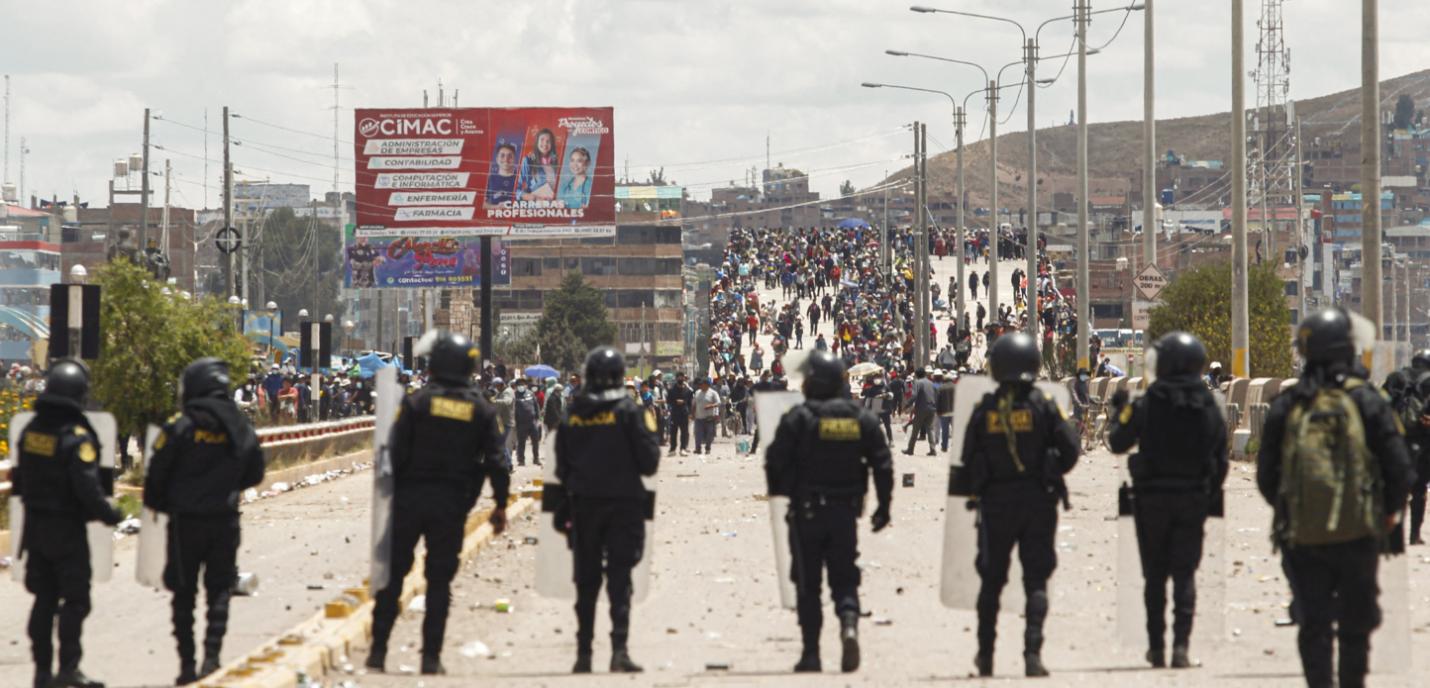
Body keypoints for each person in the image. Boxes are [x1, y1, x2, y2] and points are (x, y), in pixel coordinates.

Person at [1256, 308, 1413, 688]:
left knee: (1314, 624)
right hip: (1359, 533)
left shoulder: (1289, 404)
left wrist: (1291, 509)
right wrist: (1388, 514)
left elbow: (1266, 475)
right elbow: (1399, 468)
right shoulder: (1368, 402)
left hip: (1303, 534)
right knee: (1355, 628)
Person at [366, 332, 509, 676]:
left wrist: (392, 491)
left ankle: (378, 652)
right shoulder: (481, 409)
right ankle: (431, 658)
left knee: (393, 574)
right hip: (451, 505)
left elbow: (394, 451)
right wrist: (500, 505)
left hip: (408, 501)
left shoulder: (417, 403)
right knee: (439, 581)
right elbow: (497, 461)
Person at [960, 332, 1080, 677]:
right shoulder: (1044, 406)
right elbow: (1071, 450)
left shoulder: (985, 410)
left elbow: (967, 461)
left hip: (996, 504)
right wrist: (1048, 472)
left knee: (992, 581)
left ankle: (985, 656)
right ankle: (1032, 654)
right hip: (1038, 502)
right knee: (1036, 581)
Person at [765, 350, 893, 673]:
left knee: (809, 584)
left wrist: (784, 494)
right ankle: (849, 622)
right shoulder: (860, 418)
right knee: (845, 577)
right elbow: (882, 462)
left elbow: (774, 462)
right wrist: (883, 507)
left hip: (806, 512)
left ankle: (811, 654)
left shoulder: (799, 418)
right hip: (845, 512)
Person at [1106, 332, 1228, 669]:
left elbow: (1117, 443)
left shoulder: (1146, 403)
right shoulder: (1207, 406)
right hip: (1192, 498)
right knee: (1185, 575)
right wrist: (1205, 493)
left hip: (1151, 498)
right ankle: (1181, 649)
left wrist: (1119, 414)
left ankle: (1157, 647)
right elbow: (1221, 459)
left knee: (1155, 576)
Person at [144, 358, 266, 684]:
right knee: (219, 591)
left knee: (183, 595)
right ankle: (212, 659)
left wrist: (160, 504)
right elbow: (256, 470)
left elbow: (155, 474)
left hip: (184, 524)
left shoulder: (180, 425)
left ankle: (187, 665)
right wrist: (225, 488)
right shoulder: (238, 425)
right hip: (224, 521)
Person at [12, 360, 121, 688]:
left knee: (44, 598)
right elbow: (86, 485)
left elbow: (22, 478)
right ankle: (68, 668)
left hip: (35, 528)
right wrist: (110, 513)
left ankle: (42, 673)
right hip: (67, 531)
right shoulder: (76, 436)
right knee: (76, 599)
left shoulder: (32, 432)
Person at [553, 347, 661, 673]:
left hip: (583, 506)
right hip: (624, 506)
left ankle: (583, 655)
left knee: (586, 584)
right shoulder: (630, 412)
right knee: (619, 579)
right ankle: (619, 651)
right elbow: (649, 462)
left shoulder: (573, 414)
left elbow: (561, 468)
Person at [902, 368, 937, 456]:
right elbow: (936, 395)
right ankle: (933, 449)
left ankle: (910, 449)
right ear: (925, 374)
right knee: (930, 429)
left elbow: (914, 395)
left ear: (917, 375)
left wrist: (907, 404)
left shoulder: (917, 382)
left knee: (915, 430)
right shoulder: (931, 383)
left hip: (921, 408)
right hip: (932, 408)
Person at [519, 128, 560, 202]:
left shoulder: (555, 162)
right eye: (542, 140)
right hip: (535, 205)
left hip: (552, 206)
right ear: (537, 142)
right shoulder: (528, 160)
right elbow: (516, 189)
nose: (545, 143)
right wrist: (529, 196)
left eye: (548, 141)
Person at [513, 378, 542, 466]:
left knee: (535, 441)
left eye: (523, 384)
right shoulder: (515, 395)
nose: (521, 386)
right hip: (521, 423)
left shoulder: (530, 393)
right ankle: (521, 460)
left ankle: (536, 459)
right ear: (517, 386)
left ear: (525, 385)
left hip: (532, 421)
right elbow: (513, 409)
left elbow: (536, 406)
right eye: (519, 384)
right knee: (521, 443)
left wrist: (538, 419)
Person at [692, 377, 721, 455]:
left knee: (709, 434)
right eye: (700, 384)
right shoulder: (697, 392)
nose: (701, 386)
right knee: (698, 434)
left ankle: (708, 447)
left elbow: (718, 403)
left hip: (709, 418)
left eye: (702, 384)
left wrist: (711, 406)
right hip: (698, 417)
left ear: (707, 385)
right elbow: (694, 404)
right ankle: (698, 448)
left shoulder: (713, 393)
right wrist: (692, 414)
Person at [667, 372, 692, 455]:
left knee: (684, 432)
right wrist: (675, 401)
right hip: (674, 413)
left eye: (682, 377)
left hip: (684, 414)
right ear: (676, 378)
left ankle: (683, 448)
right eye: (679, 377)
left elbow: (690, 403)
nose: (680, 379)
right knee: (673, 432)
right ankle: (672, 449)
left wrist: (690, 413)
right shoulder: (671, 390)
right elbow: (668, 401)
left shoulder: (688, 391)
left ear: (684, 378)